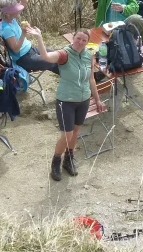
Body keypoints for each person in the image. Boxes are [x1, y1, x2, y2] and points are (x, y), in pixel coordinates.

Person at [27, 28, 106, 181]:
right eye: (78, 38)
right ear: (73, 38)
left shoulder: (88, 55)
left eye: (84, 40)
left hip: (83, 100)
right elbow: (45, 56)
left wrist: (97, 99)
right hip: (66, 101)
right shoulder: (64, 54)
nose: (80, 42)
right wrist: (39, 37)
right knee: (67, 133)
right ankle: (56, 162)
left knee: (76, 131)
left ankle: (68, 160)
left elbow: (91, 79)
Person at [0, 0, 59, 75]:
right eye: (16, 10)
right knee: (52, 62)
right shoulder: (6, 29)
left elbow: (24, 2)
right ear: (9, 13)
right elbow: (16, 49)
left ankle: (74, 79)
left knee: (57, 55)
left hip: (30, 49)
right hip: (24, 58)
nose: (18, 11)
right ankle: (72, 82)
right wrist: (23, 34)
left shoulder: (10, 19)